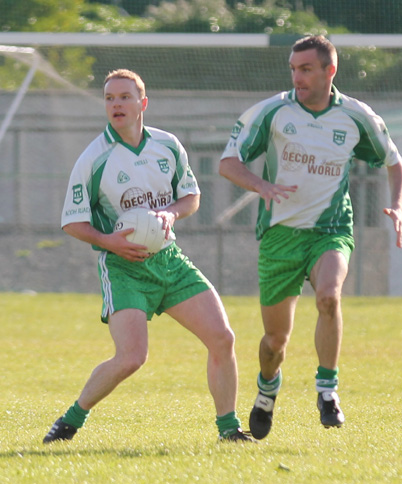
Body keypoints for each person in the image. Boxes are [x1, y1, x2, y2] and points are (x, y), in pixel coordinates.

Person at [43, 69, 254, 444]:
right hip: (124, 268)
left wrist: (171, 213)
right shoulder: (94, 159)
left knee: (222, 337)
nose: (116, 104)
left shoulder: (167, 146)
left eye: (124, 97)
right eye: (109, 98)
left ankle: (229, 431)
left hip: (169, 261)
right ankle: (70, 421)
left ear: (143, 103)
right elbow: (72, 223)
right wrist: (112, 243)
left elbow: (191, 197)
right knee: (131, 357)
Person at [219, 35, 402, 439]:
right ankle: (267, 389)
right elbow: (228, 164)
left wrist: (398, 205)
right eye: (293, 69)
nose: (297, 77)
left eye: (305, 69)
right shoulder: (272, 111)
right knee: (274, 341)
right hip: (279, 237)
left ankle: (327, 390)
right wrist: (260, 186)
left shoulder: (357, 117)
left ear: (329, 71)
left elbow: (394, 163)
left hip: (331, 230)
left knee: (328, 296)